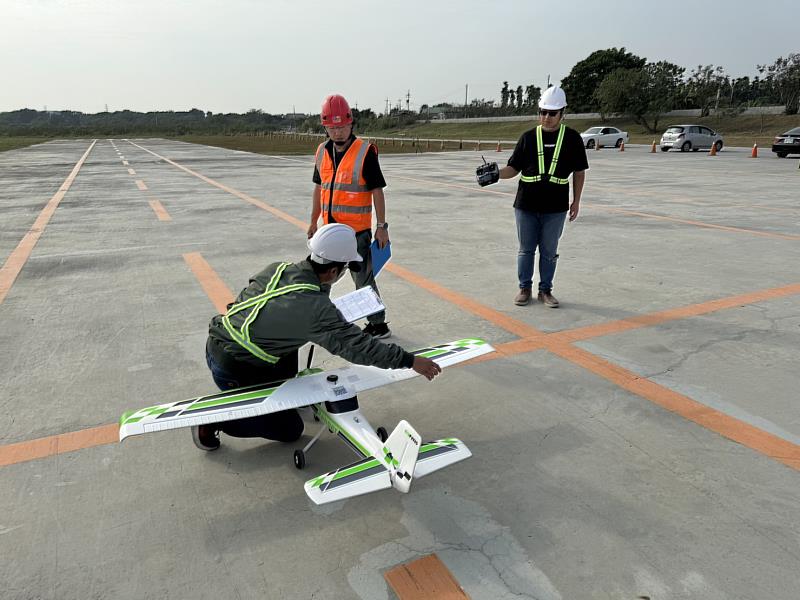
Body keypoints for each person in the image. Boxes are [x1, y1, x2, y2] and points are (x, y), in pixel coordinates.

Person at [193, 223, 441, 451]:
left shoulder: (278, 268)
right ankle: (217, 421)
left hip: (220, 339)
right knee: (291, 430)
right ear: (334, 270)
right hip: (234, 368)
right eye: (346, 268)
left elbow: (254, 301)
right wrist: (409, 361)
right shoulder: (314, 308)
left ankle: (277, 395)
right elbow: (358, 347)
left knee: (291, 358)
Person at [308, 93, 392, 339]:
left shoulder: (365, 152)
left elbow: (377, 190)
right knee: (320, 277)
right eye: (332, 127)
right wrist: (313, 221)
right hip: (328, 231)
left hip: (357, 234)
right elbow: (318, 188)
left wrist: (382, 226)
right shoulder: (322, 152)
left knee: (363, 280)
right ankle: (321, 320)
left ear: (351, 123)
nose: (338, 132)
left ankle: (379, 324)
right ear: (325, 127)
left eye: (342, 126)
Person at [496, 86, 588, 308]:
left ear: (562, 113)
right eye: (543, 112)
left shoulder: (573, 139)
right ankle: (524, 288)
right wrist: (496, 174)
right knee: (526, 249)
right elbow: (513, 168)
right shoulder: (528, 137)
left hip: (555, 207)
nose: (547, 118)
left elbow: (579, 172)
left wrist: (576, 201)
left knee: (549, 251)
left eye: (552, 113)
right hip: (526, 204)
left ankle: (545, 290)